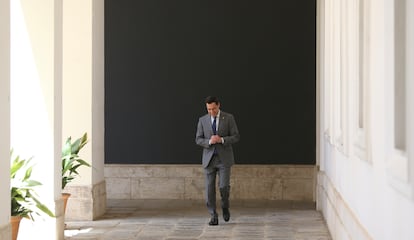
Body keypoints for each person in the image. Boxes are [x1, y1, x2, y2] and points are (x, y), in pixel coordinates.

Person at [195, 96, 240, 225]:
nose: (211, 112)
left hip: (224, 159)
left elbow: (236, 136)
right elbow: (198, 139)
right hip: (209, 160)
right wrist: (209, 141)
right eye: (209, 109)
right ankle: (213, 215)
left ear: (219, 105)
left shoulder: (229, 118)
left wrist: (222, 140)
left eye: (213, 109)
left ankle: (225, 207)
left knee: (224, 187)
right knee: (209, 189)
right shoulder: (202, 120)